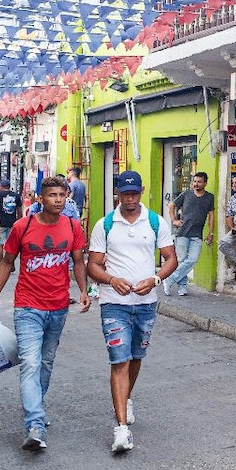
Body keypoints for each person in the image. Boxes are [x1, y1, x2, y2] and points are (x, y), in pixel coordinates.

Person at [0, 175, 89, 452]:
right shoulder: (23, 226)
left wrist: (83, 291)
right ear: (41, 199)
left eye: (61, 195)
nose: (57, 200)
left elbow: (78, 261)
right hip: (27, 306)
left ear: (67, 197)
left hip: (58, 307)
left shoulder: (72, 226)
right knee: (30, 362)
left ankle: (35, 408)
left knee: (45, 362)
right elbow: (7, 263)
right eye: (52, 195)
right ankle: (35, 424)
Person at [86, 170, 176, 454]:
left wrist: (156, 279)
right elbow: (93, 265)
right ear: (117, 194)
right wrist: (111, 280)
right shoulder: (105, 225)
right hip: (114, 302)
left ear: (141, 191)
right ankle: (121, 428)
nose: (129, 198)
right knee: (119, 360)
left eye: (134, 193)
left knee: (136, 356)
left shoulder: (155, 222)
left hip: (146, 302)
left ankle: (127, 398)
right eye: (125, 194)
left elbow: (171, 258)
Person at [165, 171, 214, 297]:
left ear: (205, 183)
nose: (196, 184)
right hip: (182, 233)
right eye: (195, 181)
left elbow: (211, 216)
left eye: (199, 182)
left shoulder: (209, 197)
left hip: (197, 234)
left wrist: (210, 233)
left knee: (192, 259)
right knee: (182, 261)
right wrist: (174, 220)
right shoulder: (186, 194)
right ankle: (182, 287)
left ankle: (170, 279)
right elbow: (171, 205)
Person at [0, 178, 22, 252]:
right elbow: (19, 211)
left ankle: (1, 263)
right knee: (10, 245)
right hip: (12, 223)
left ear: (1, 186)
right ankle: (9, 262)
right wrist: (19, 222)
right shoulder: (16, 195)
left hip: (0, 223)